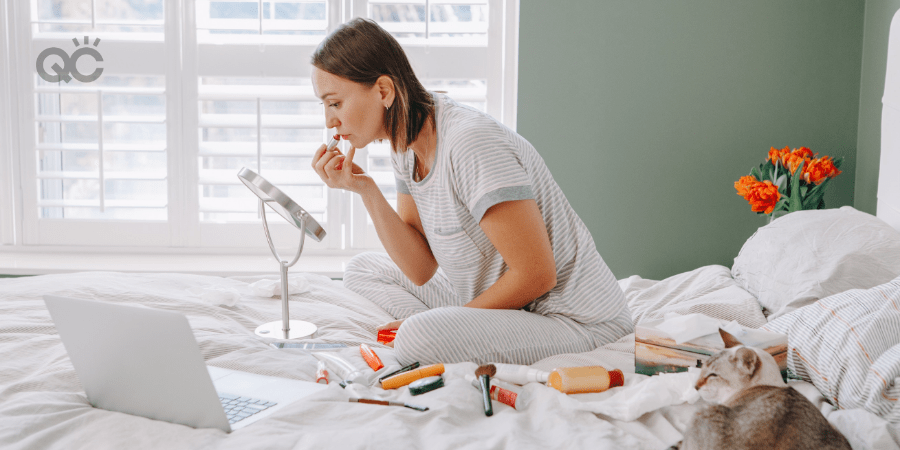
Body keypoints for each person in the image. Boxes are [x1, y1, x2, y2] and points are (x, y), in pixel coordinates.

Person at [310, 18, 632, 366]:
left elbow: (537, 274)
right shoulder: (406, 145)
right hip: (505, 305)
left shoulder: (470, 143)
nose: (330, 121)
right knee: (362, 269)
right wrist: (366, 190)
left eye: (335, 103)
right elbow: (420, 268)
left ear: (384, 90)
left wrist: (448, 325)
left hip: (573, 320)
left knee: (418, 338)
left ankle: (441, 329)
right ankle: (446, 327)